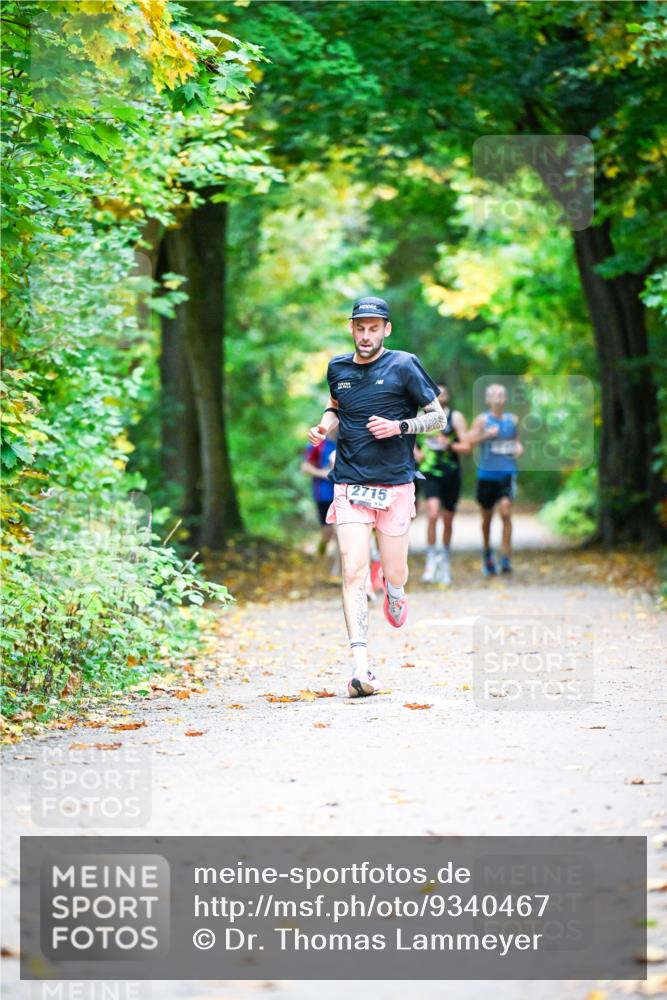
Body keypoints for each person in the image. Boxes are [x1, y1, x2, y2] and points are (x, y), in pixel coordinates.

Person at [308, 295, 445, 698]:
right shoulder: (338, 367)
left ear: (386, 329)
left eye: (374, 328)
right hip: (349, 482)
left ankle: (397, 592)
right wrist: (323, 426)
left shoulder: (404, 364)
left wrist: (400, 426)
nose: (366, 335)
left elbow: (436, 417)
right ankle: (362, 668)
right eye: (359, 327)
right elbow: (336, 408)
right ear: (351, 328)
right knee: (352, 571)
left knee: (393, 572)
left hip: (395, 485)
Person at [414, 383, 470, 585]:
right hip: (429, 472)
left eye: (443, 392)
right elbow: (407, 440)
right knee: (433, 513)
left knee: (447, 520)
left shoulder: (455, 417)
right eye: (435, 392)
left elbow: (467, 446)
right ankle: (430, 560)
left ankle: (444, 559)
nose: (439, 395)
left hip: (451, 473)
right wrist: (415, 452)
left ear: (448, 396)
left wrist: (450, 445)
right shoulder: (420, 416)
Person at [467, 383, 523, 576]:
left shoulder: (512, 420)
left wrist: (518, 448)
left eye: (501, 394)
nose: (498, 398)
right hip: (487, 474)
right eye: (494, 395)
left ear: (505, 399)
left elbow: (516, 442)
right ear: (488, 400)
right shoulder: (482, 420)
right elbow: (469, 441)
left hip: (507, 472)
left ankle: (505, 555)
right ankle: (487, 553)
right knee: (487, 518)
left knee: (506, 512)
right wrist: (485, 435)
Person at [301, 429, 339, 574]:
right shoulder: (319, 443)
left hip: (344, 493)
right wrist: (323, 473)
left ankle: (338, 568)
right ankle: (321, 550)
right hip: (323, 493)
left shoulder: (349, 438)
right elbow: (305, 466)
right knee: (328, 533)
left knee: (339, 531)